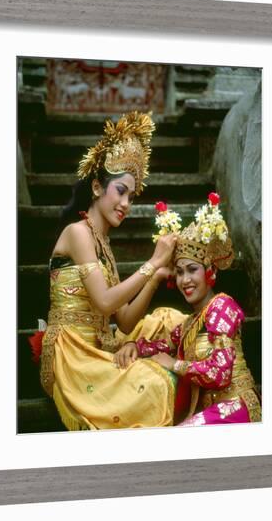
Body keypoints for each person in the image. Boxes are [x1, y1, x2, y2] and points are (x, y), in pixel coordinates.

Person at [39, 111, 185, 430]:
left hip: (103, 343)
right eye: (120, 191)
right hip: (74, 354)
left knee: (171, 321)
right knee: (156, 383)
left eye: (131, 196)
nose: (126, 203)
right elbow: (105, 302)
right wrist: (153, 263)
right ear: (96, 187)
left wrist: (157, 276)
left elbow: (125, 319)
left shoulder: (103, 243)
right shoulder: (78, 233)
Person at [126, 192, 261, 425]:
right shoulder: (190, 323)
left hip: (237, 407)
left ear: (211, 272)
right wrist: (133, 346)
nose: (184, 280)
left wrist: (175, 364)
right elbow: (162, 345)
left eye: (192, 269)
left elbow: (221, 373)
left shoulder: (221, 306)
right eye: (179, 272)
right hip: (211, 412)